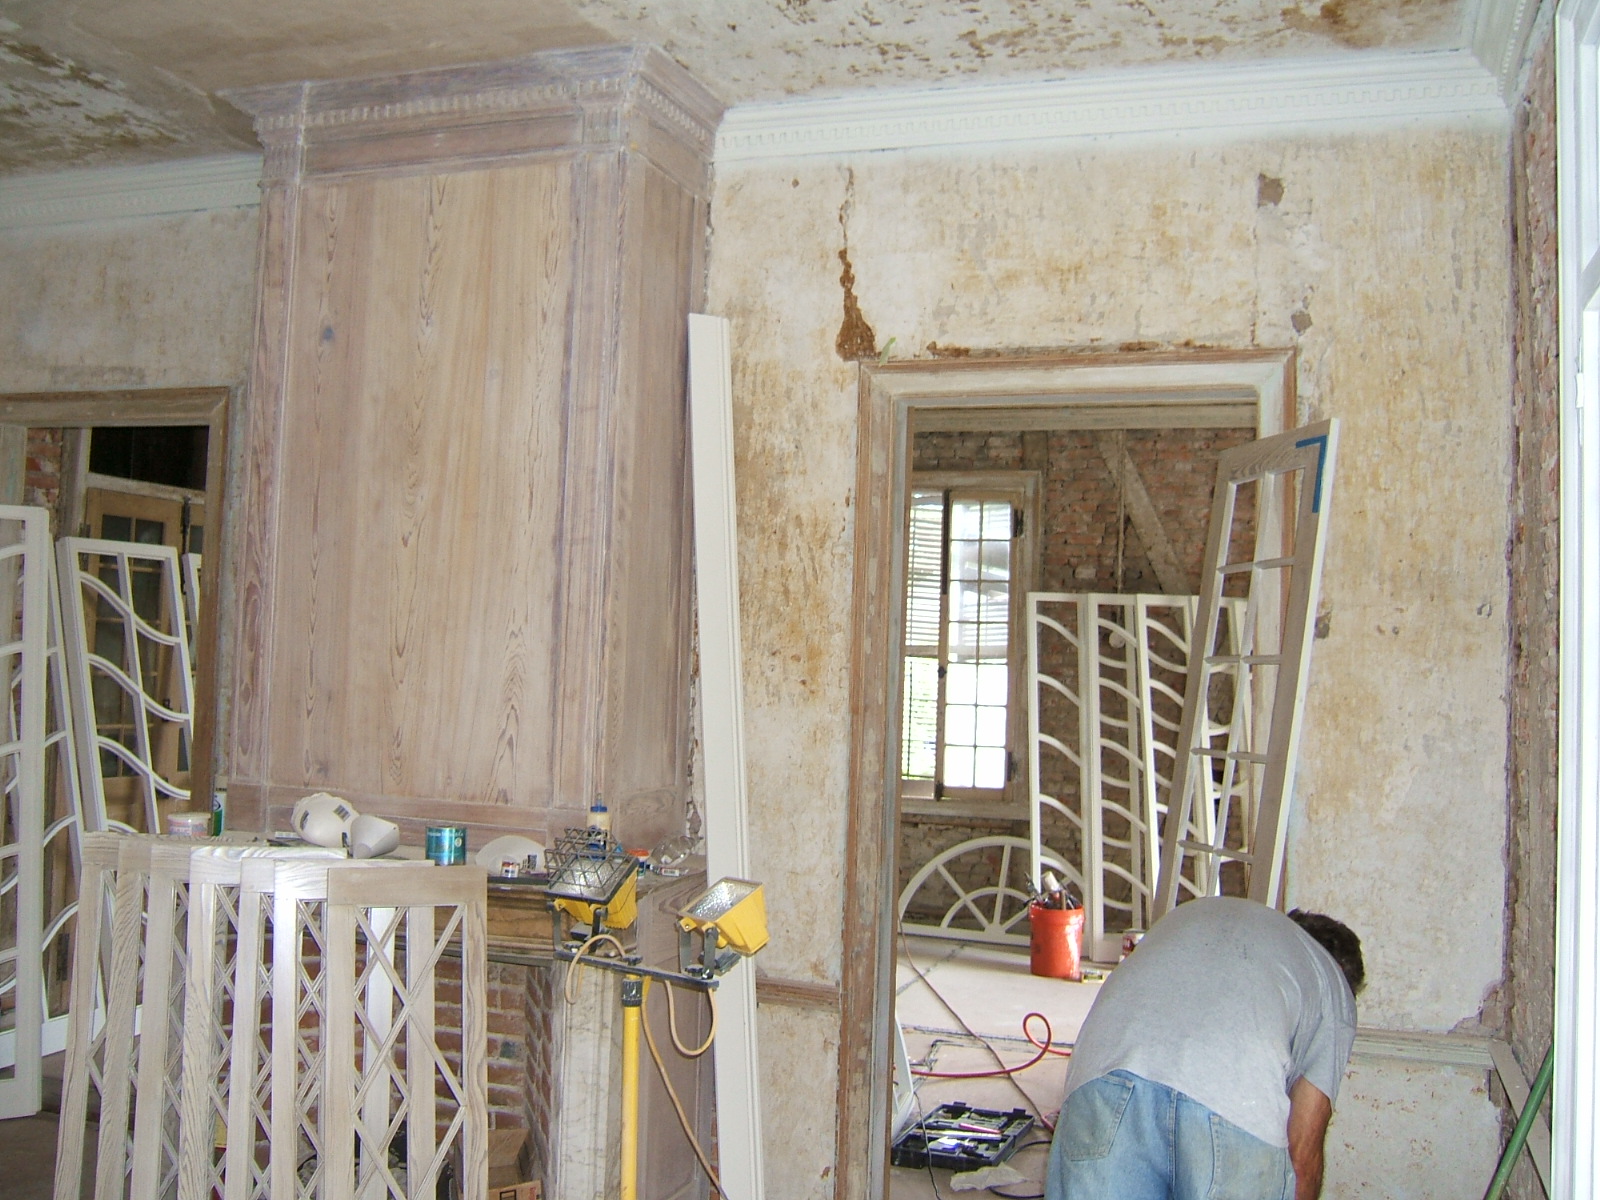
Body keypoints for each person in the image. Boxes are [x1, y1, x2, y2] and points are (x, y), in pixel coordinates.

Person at [1045, 896, 1364, 1200]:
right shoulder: (1331, 984)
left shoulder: (1202, 918)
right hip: (1229, 1110)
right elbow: (1303, 1154)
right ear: (1342, 972)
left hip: (1103, 1081)